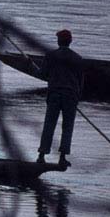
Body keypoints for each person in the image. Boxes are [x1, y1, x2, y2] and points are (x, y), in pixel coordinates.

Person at [36, 29, 84, 167]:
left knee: (49, 124)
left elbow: (42, 74)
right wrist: (77, 98)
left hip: (55, 94)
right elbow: (81, 82)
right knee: (68, 127)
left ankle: (41, 155)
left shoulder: (51, 55)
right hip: (71, 96)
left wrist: (31, 67)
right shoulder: (78, 58)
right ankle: (62, 157)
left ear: (58, 41)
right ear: (70, 42)